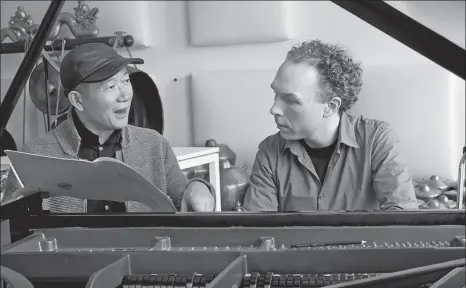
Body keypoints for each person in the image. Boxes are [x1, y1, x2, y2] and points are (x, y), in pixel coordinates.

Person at [3, 43, 215, 213]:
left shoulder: (153, 144)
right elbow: (11, 231)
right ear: (77, 100)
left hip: (142, 264)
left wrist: (198, 188)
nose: (125, 95)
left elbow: (182, 192)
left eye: (125, 81)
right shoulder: (34, 155)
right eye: (111, 87)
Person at [242, 40, 418, 212]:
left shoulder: (377, 140)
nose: (274, 109)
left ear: (331, 106)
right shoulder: (269, 152)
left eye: (290, 100)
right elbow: (257, 229)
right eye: (276, 94)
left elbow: (403, 221)